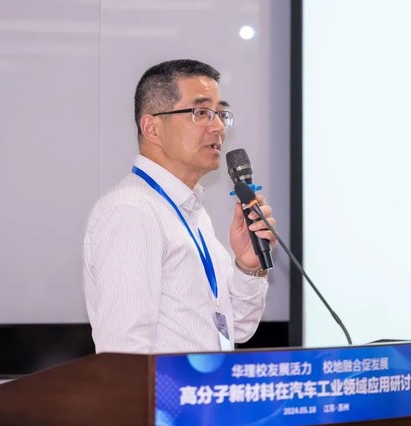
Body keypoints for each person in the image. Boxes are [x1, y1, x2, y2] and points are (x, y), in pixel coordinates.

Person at [83, 59, 275, 354]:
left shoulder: (192, 212)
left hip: (208, 382)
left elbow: (236, 327)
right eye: (202, 113)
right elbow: (123, 355)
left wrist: (248, 267)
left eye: (221, 114)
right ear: (152, 128)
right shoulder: (132, 211)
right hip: (165, 387)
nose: (218, 127)